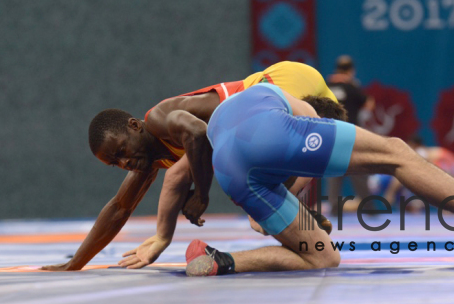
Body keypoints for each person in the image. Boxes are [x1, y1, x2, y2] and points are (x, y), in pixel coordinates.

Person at [185, 83, 454, 276]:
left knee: (321, 257)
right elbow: (303, 156)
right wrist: (304, 204)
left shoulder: (244, 98)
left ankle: (223, 261)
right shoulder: (297, 103)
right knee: (395, 153)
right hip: (264, 136)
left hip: (228, 172)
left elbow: (264, 209)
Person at [41, 62, 339, 272]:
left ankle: (297, 206)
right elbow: (120, 207)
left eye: (121, 152)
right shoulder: (151, 159)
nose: (124, 163)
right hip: (275, 105)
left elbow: (197, 134)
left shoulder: (159, 118)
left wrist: (201, 195)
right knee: (288, 226)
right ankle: (301, 212)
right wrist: (75, 263)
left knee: (259, 205)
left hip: (279, 85)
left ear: (135, 126)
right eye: (115, 163)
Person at [325, 55, 375, 215]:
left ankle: (334, 208)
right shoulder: (352, 87)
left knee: (334, 172)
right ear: (351, 70)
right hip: (350, 134)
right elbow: (368, 105)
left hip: (332, 134)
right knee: (359, 170)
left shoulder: (327, 86)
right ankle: (369, 207)